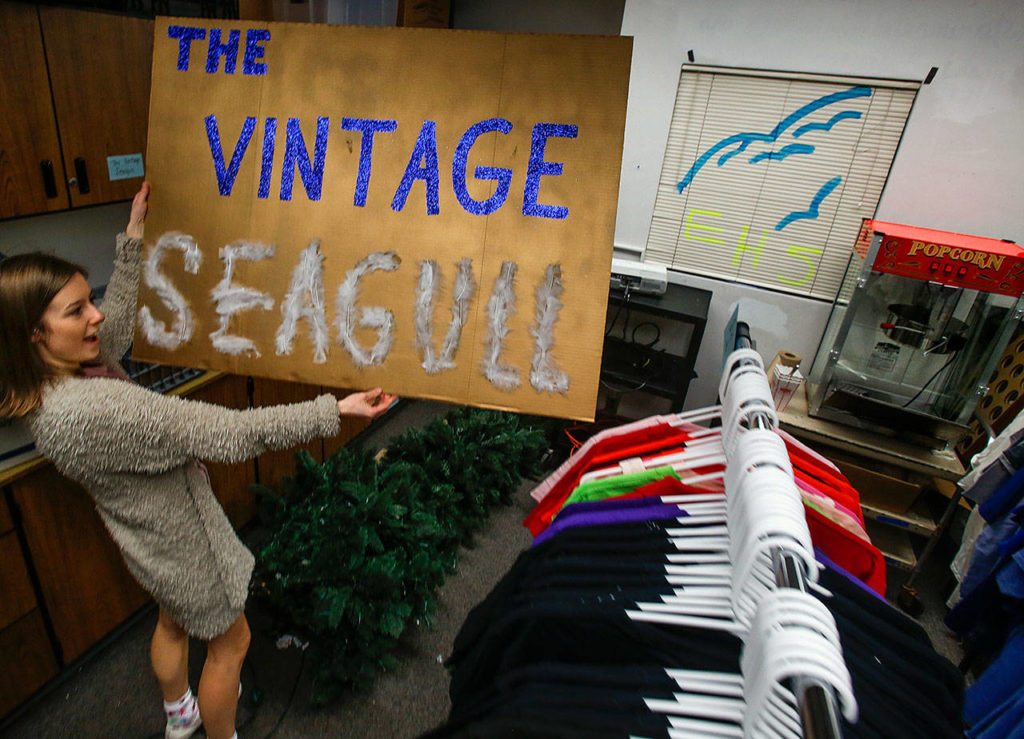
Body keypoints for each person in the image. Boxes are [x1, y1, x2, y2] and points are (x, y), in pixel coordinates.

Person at [0, 183, 396, 739]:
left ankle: (178, 714)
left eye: (89, 299)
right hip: (186, 545)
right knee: (231, 644)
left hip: (145, 541)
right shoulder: (93, 407)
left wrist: (133, 237)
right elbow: (228, 433)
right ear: (35, 333)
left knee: (172, 620)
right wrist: (335, 410)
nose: (94, 316)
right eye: (76, 310)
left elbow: (110, 330)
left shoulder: (47, 386)